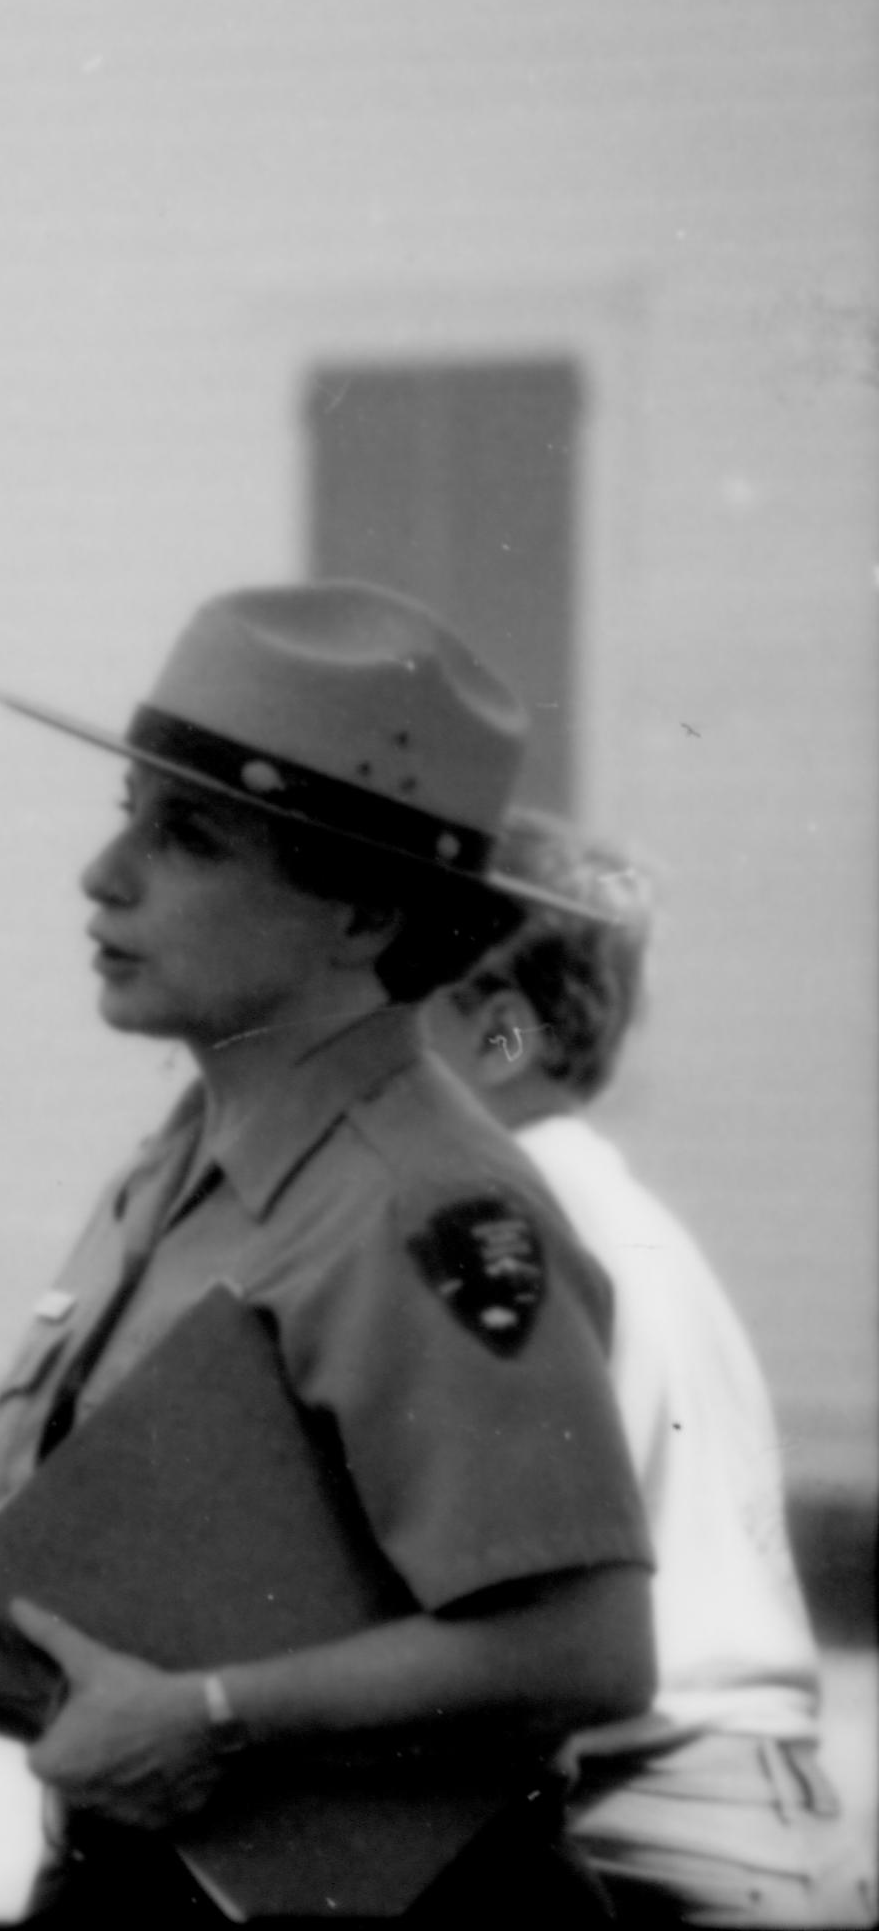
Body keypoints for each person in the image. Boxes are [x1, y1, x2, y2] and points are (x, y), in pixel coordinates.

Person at [0, 581, 657, 1921]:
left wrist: (213, 1714)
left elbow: (589, 1645)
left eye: (191, 838)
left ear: (366, 916)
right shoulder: (186, 1155)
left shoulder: (427, 1208)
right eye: (130, 818)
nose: (104, 875)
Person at [417, 811, 871, 1926]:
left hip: (645, 1828)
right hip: (763, 1817)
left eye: (407, 996)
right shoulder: (623, 1212)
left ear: (502, 1036)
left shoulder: (500, 1223)